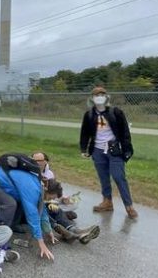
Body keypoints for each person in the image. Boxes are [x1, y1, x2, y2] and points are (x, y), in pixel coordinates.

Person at [80, 86, 138, 219]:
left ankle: (128, 205)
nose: (99, 97)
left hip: (114, 150)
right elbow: (84, 133)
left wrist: (128, 149)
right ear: (92, 98)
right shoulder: (89, 115)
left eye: (102, 94)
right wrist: (84, 149)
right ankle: (107, 202)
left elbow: (125, 132)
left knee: (118, 177)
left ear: (107, 97)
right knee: (104, 177)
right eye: (96, 95)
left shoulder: (115, 112)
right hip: (97, 150)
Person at [0, 158, 56, 260]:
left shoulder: (40, 187)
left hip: (4, 180)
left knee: (18, 202)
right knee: (10, 204)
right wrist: (41, 243)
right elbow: (33, 216)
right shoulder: (33, 190)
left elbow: (42, 211)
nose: (50, 200)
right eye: (51, 198)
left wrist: (48, 231)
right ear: (47, 190)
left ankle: (10, 226)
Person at [43, 179, 100, 244]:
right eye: (51, 198)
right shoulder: (38, 191)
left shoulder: (47, 184)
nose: (52, 199)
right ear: (47, 190)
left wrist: (50, 204)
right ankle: (71, 234)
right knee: (44, 212)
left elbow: (51, 200)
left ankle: (75, 231)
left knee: (58, 210)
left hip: (45, 206)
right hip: (36, 214)